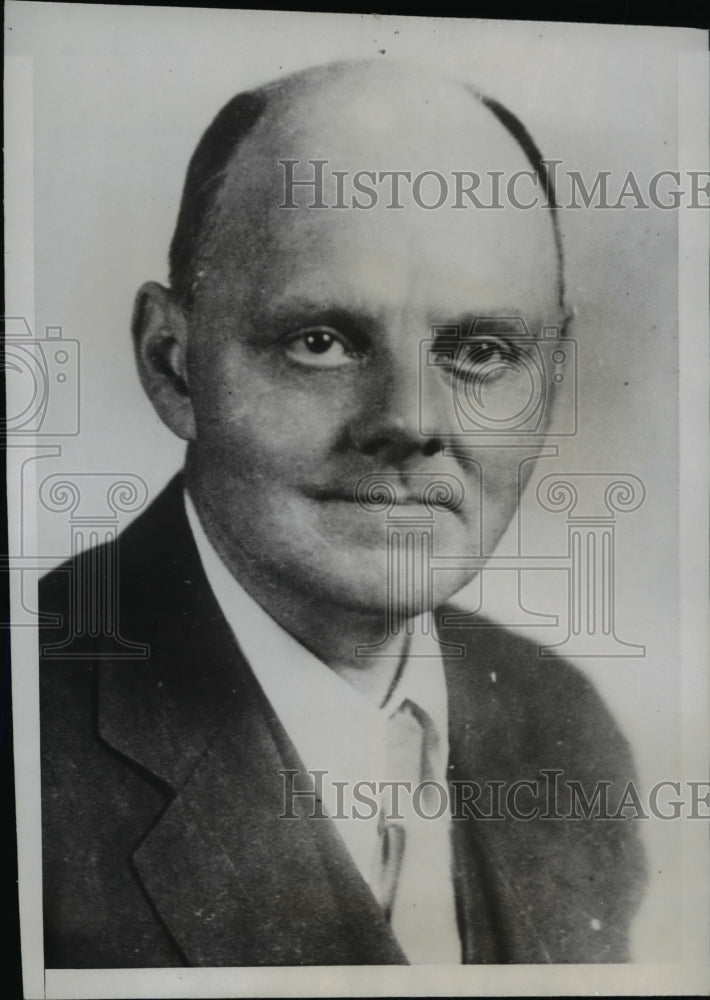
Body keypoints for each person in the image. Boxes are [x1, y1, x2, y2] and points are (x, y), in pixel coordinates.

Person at [40, 59, 646, 968]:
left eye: (482, 350)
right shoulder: (30, 735)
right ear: (174, 366)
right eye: (320, 341)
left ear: (550, 381)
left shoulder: (563, 727)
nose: (410, 420)